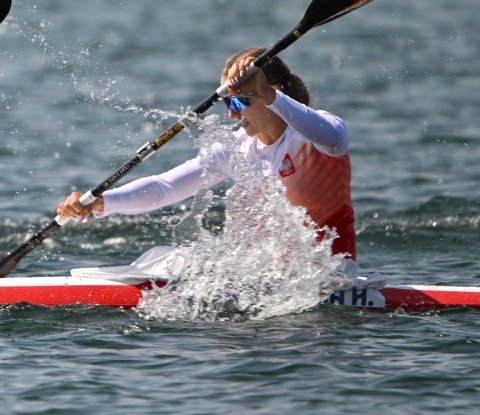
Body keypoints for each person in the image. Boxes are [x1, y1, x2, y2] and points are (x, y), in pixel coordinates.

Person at [57, 47, 356, 260]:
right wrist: (100, 203)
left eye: (239, 103)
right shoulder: (236, 149)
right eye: (227, 104)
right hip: (269, 284)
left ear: (271, 91)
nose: (231, 115)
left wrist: (270, 95)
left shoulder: (312, 136)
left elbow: (336, 137)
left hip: (327, 282)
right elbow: (165, 188)